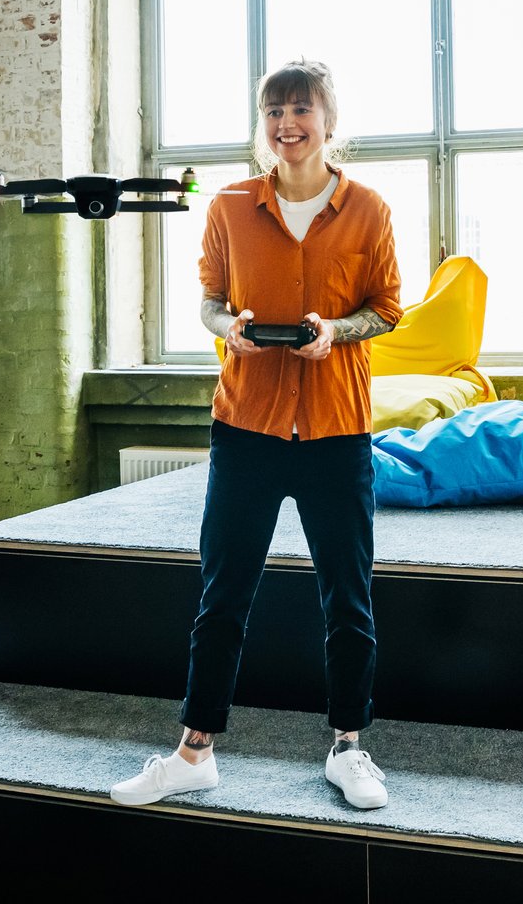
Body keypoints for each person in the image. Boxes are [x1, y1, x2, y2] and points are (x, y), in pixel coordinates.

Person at [113, 60, 401, 811]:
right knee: (223, 592)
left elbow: (388, 309)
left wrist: (334, 332)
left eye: (300, 109)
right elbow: (210, 301)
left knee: (349, 596)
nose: (286, 124)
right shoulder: (232, 204)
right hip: (246, 426)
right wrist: (229, 330)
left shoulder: (368, 208)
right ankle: (193, 751)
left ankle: (349, 749)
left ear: (329, 122)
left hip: (338, 428)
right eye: (274, 111)